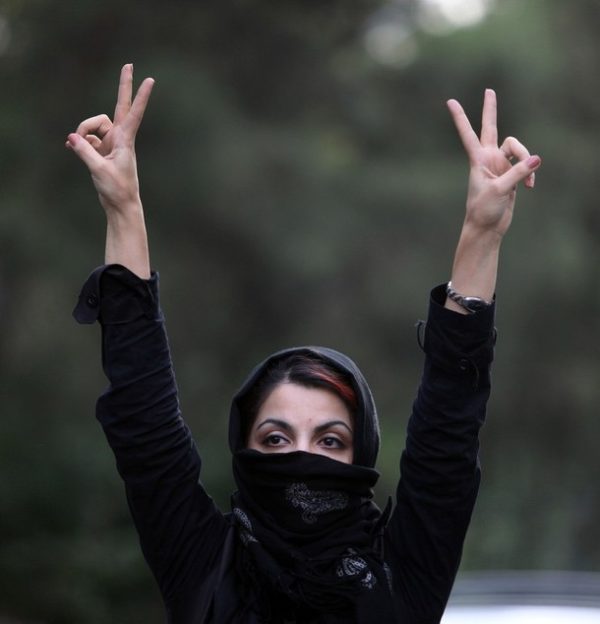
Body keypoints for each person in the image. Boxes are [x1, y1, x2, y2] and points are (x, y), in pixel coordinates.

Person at [67, 64, 541, 624]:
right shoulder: (203, 564)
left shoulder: (404, 571)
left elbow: (448, 432)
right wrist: (123, 209)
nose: (301, 457)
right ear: (243, 445)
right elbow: (143, 425)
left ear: (359, 451)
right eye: (275, 438)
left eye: (330, 440)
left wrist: (481, 234)